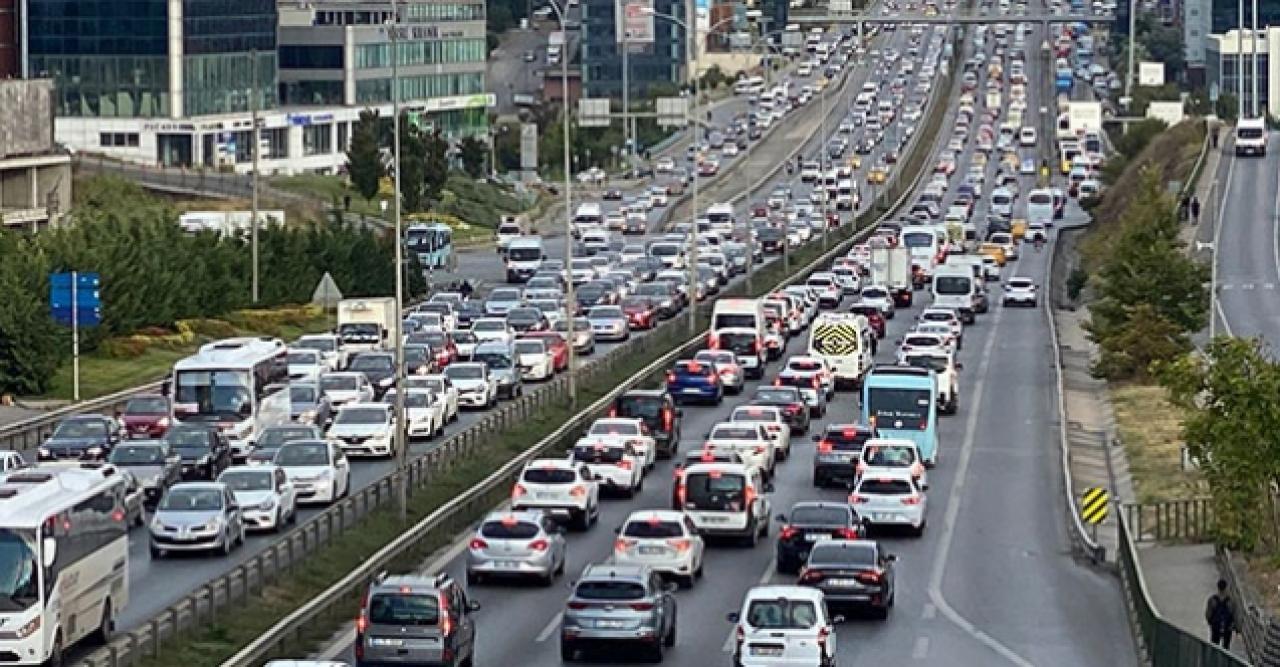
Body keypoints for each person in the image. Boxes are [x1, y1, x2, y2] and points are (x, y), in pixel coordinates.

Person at [1206, 579, 1237, 649]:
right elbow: (1234, 614)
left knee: (1214, 646)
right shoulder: (1231, 600)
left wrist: (1210, 622)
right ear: (1226, 588)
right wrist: (1234, 626)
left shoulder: (1212, 599)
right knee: (1226, 647)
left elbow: (1208, 614)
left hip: (1215, 626)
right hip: (1227, 627)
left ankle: (1213, 659)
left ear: (1217, 587)